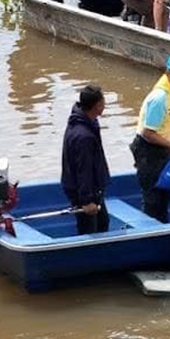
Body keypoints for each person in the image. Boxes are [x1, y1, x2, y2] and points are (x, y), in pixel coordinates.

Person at [130, 53, 170, 222]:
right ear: (168, 73)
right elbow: (147, 133)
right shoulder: (160, 98)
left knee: (165, 193)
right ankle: (152, 231)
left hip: (163, 148)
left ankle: (162, 224)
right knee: (153, 198)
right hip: (148, 150)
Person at [60, 85, 110, 235]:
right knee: (89, 229)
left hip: (91, 187)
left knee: (103, 222)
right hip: (84, 191)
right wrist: (86, 201)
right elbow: (84, 169)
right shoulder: (84, 137)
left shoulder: (86, 121)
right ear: (97, 105)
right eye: (103, 102)